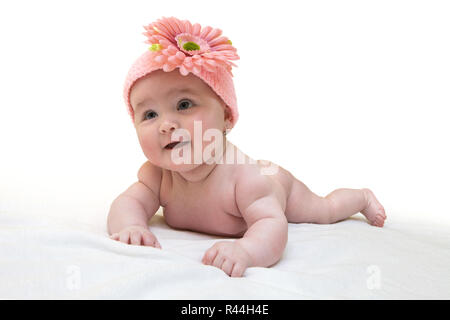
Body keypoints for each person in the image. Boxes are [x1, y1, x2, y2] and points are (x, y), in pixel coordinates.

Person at [107, 16, 386, 278]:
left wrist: (247, 250)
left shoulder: (246, 179)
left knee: (324, 210)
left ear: (227, 115)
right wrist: (131, 226)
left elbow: (271, 225)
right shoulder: (157, 176)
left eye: (184, 105)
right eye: (149, 115)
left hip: (273, 180)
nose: (165, 125)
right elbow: (127, 203)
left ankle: (361, 197)